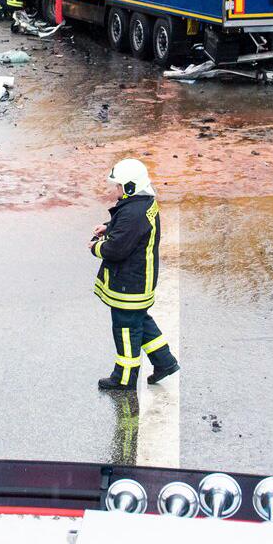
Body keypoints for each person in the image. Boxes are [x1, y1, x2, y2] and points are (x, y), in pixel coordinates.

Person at [92, 159, 179, 391]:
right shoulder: (143, 204)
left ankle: (125, 378)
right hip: (142, 280)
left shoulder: (132, 212)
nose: (115, 190)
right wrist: (109, 227)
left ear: (130, 187)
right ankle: (165, 362)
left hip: (129, 285)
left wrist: (96, 248)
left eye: (118, 186)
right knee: (139, 320)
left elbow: (117, 248)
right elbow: (129, 228)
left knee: (125, 329)